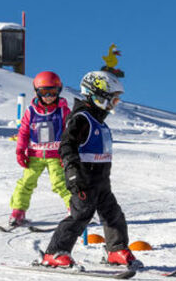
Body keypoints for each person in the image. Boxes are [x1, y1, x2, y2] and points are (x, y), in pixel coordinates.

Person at [41, 71, 136, 268]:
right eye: (113, 99)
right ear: (98, 96)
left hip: (101, 180)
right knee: (80, 215)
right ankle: (55, 252)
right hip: (83, 178)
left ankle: (116, 249)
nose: (115, 104)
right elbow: (67, 146)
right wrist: (73, 174)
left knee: (113, 214)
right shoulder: (81, 118)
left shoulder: (99, 120)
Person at [9, 71, 72, 226]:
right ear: (37, 92)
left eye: (53, 92)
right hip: (34, 155)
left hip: (56, 156)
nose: (49, 96)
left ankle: (75, 210)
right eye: (44, 92)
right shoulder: (31, 111)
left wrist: (68, 154)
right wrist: (20, 151)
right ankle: (18, 212)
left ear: (59, 91)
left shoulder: (63, 111)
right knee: (26, 183)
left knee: (61, 183)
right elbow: (23, 132)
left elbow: (71, 133)